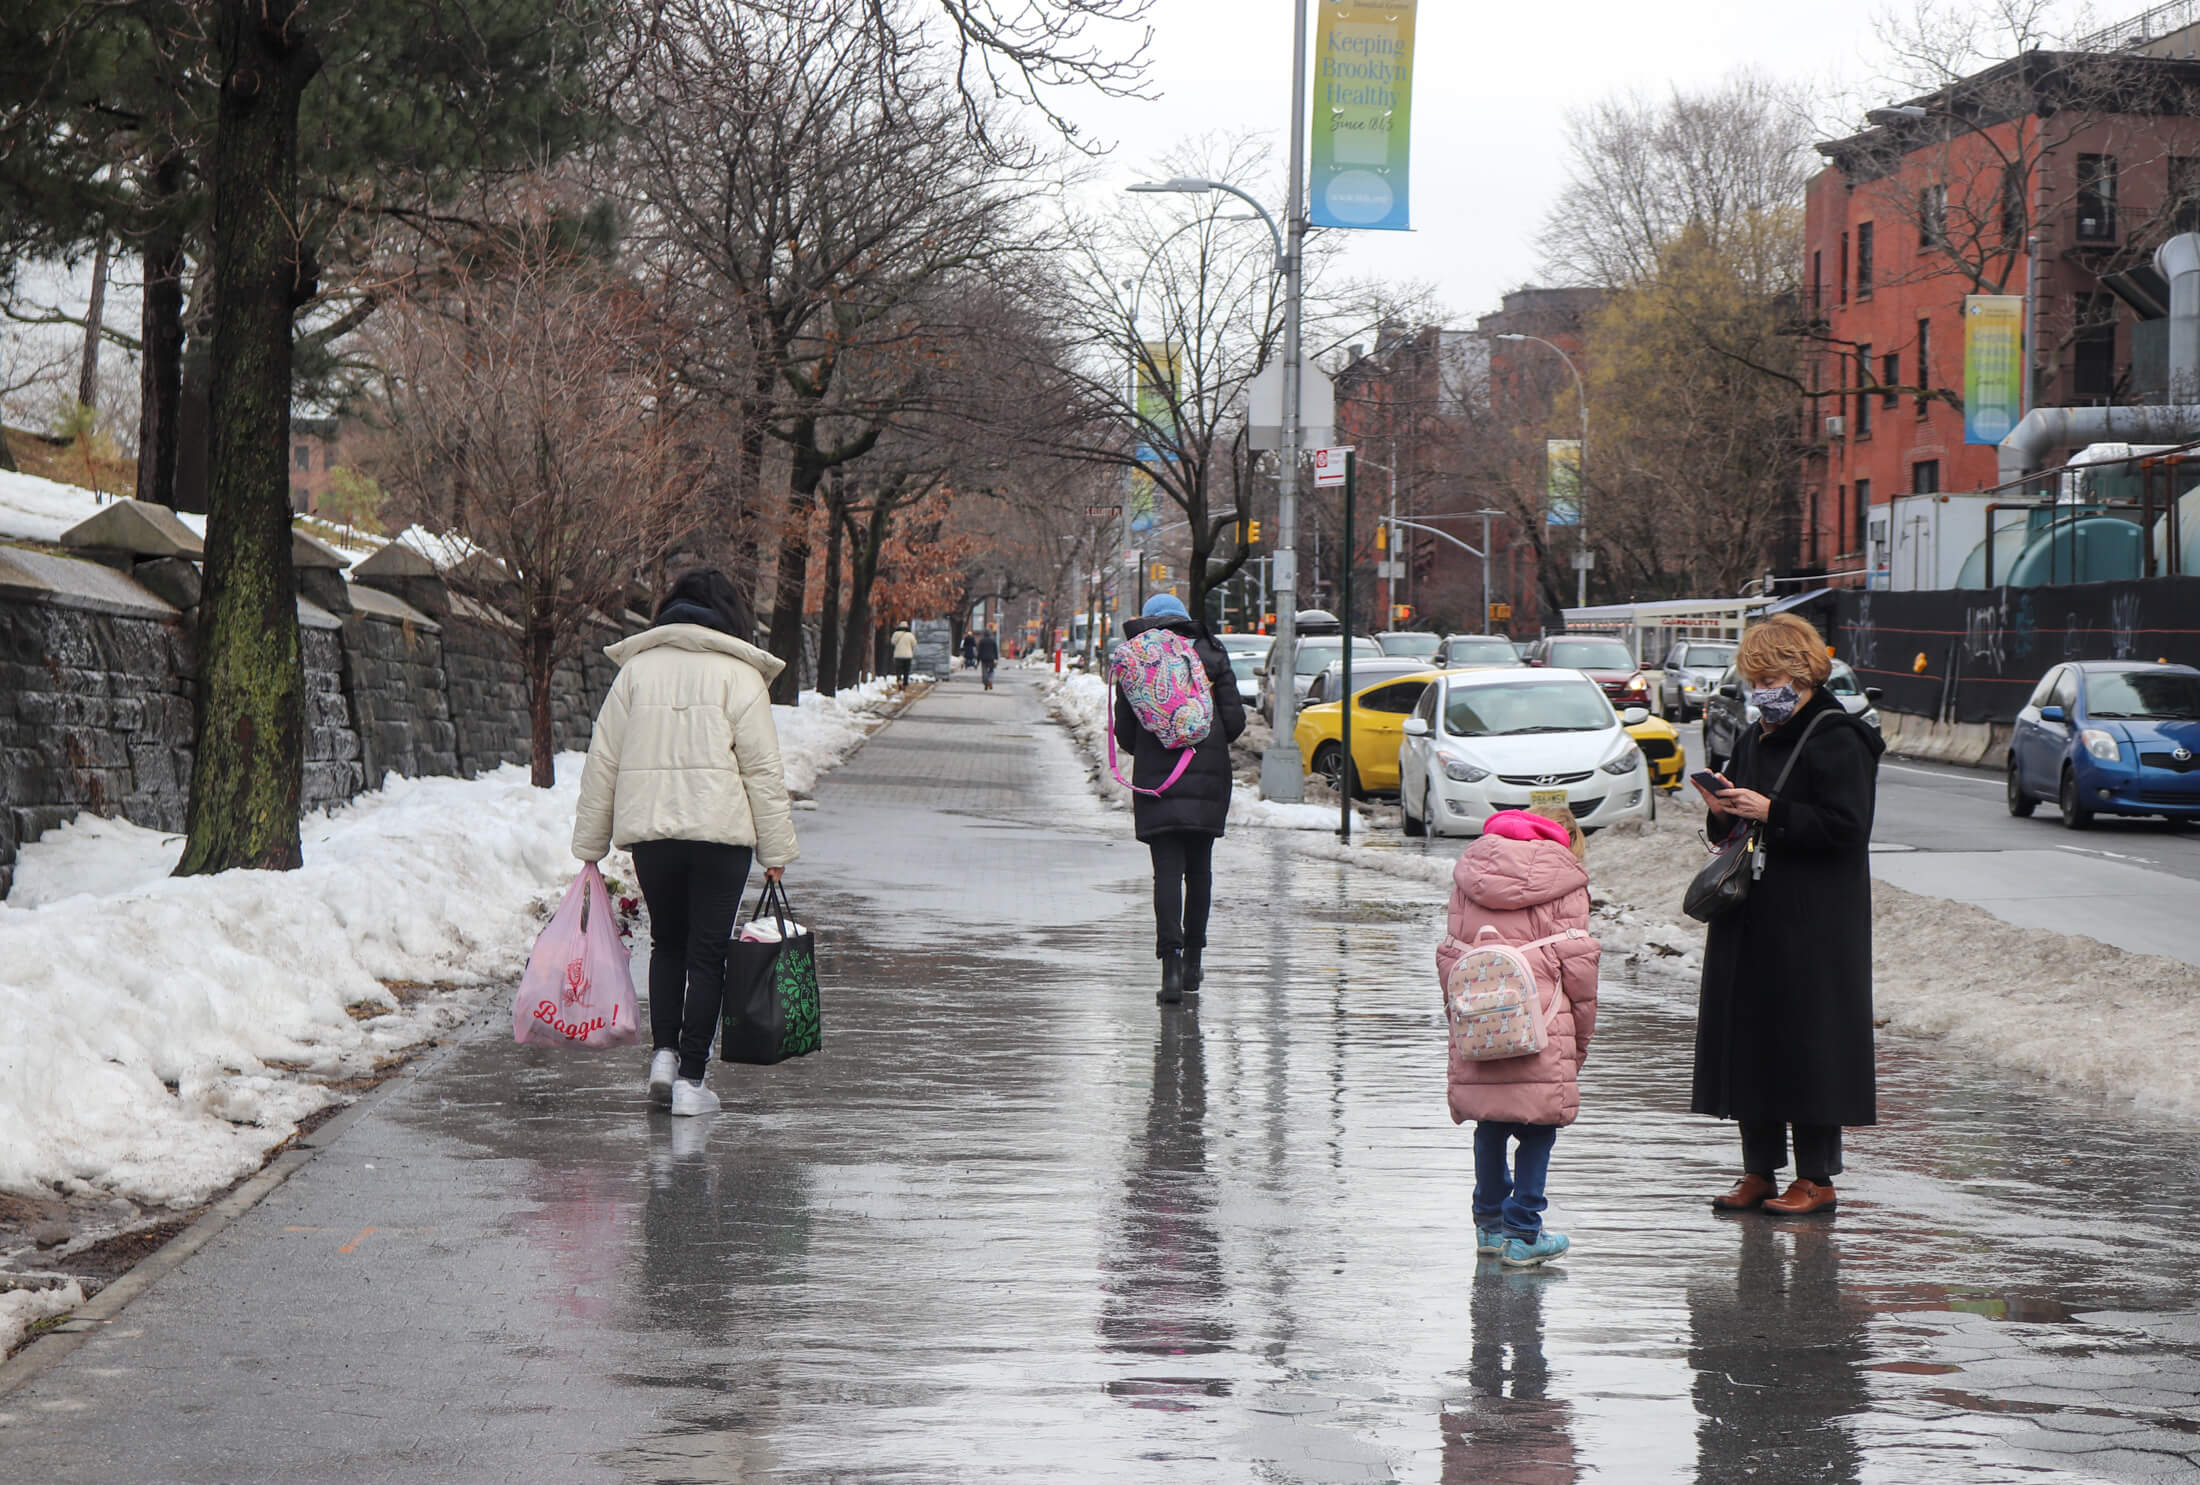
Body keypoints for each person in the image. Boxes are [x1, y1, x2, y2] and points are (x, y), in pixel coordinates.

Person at [573, 568, 799, 1117]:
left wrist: (590, 846)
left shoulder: (636, 673)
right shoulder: (739, 676)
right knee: (707, 953)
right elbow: (762, 772)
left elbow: (603, 760)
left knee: (668, 944)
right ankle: (692, 1082)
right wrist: (776, 853)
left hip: (652, 836)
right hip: (721, 837)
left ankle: (664, 1059)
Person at [1692, 613, 1884, 1216]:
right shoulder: (1756, 735)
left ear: (1799, 672)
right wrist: (1723, 809)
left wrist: (1772, 810)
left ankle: (1817, 1179)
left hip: (1813, 920)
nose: (1759, 691)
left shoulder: (1837, 736)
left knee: (1810, 1041)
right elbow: (1740, 820)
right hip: (1753, 912)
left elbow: (1849, 829)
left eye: (1768, 677)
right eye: (1754, 680)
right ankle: (1759, 1171)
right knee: (1751, 1038)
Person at [1435, 807, 1601, 1269]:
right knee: (1538, 1128)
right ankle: (1524, 1229)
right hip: (1543, 1021)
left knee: (1490, 1121)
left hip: (1481, 1016)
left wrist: (1464, 1013)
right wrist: (1581, 1038)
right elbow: (1579, 967)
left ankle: (1489, 1222)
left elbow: (1449, 952)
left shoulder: (1471, 874)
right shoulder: (1564, 879)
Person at [1112, 593, 1247, 1004]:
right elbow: (1236, 722)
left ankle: (1169, 968)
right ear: (1185, 618)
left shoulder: (1138, 659)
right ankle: (1193, 963)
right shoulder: (1210, 651)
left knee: (1166, 874)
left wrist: (1160, 740)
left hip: (1161, 779)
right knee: (1200, 871)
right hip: (1207, 780)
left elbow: (1126, 735)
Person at [891, 621, 918, 687]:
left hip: (898, 655)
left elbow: (893, 642)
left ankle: (899, 680)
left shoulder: (896, 634)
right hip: (908, 655)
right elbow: (914, 643)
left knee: (898, 669)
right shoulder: (910, 635)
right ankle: (905, 682)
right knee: (906, 670)